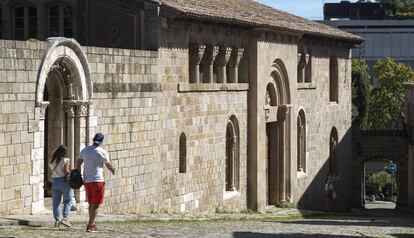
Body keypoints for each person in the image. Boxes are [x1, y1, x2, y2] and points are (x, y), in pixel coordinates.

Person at [77, 133, 115, 233]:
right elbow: (108, 165)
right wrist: (113, 170)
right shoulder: (102, 152)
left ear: (93, 140)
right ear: (101, 142)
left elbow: (79, 162)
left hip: (87, 180)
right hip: (98, 180)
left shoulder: (84, 150)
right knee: (96, 204)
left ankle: (92, 224)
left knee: (91, 203)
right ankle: (90, 226)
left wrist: (78, 173)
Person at [49, 145, 73, 227]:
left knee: (56, 202)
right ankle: (65, 218)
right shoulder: (65, 160)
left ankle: (57, 220)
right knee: (68, 200)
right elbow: (66, 172)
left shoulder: (52, 161)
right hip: (63, 181)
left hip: (55, 182)